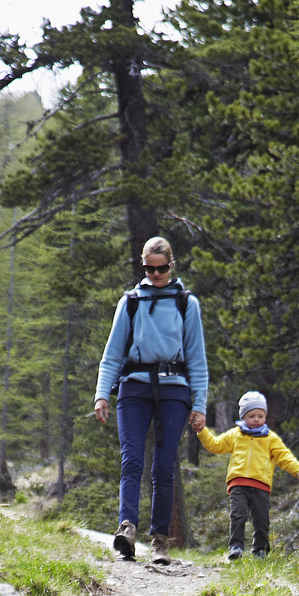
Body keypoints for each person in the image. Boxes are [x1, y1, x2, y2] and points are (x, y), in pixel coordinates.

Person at [94, 236, 208, 565]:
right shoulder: (130, 302)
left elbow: (198, 361)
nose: (155, 274)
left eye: (161, 269)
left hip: (174, 389)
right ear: (142, 265)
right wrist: (102, 393)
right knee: (131, 460)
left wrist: (199, 405)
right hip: (133, 387)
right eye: (148, 268)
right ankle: (126, 529)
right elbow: (112, 354)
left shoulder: (187, 304)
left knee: (163, 466)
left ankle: (159, 541)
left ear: (171, 266)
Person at [191, 390, 299, 559]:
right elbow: (215, 445)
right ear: (243, 416)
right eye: (251, 416)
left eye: (260, 416)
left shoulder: (270, 438)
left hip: (261, 486)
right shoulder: (235, 434)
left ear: (265, 417)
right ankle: (236, 548)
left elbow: (284, 457)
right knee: (238, 515)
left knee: (261, 521)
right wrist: (202, 431)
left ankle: (260, 551)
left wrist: (297, 471)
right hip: (238, 484)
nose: (256, 420)